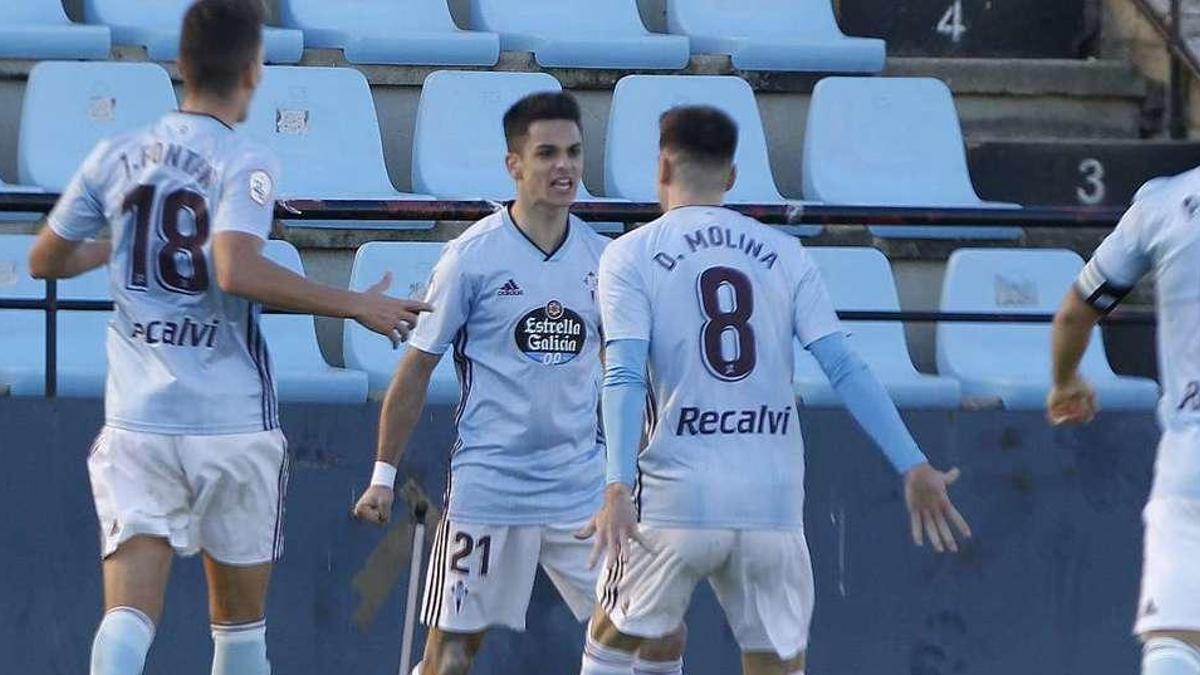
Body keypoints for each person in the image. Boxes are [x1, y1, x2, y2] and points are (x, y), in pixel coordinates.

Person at [27, 2, 429, 673]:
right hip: (231, 422)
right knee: (239, 632)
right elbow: (235, 267)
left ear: (179, 66)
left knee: (126, 618)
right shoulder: (244, 162)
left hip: (141, 420)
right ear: (253, 70)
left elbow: (44, 260)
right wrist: (353, 303)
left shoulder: (116, 154)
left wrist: (116, 247)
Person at [578, 105, 972, 675]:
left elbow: (624, 373)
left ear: (663, 166)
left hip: (676, 500)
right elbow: (845, 366)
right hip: (773, 504)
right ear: (733, 176)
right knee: (775, 663)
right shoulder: (785, 254)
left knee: (613, 641)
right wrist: (913, 464)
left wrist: (616, 485)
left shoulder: (631, 254)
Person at [352, 91, 684, 675]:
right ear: (515, 165)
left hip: (580, 489)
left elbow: (630, 377)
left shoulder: (606, 261)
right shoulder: (472, 258)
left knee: (657, 629)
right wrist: (382, 478)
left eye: (575, 153)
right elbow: (416, 369)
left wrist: (634, 480)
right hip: (490, 488)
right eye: (548, 152)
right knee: (452, 658)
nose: (565, 166)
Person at [1047, 172, 1200, 675]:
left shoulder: (1162, 203)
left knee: (1174, 646)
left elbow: (1074, 314)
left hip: (1190, 457)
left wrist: (1066, 380)